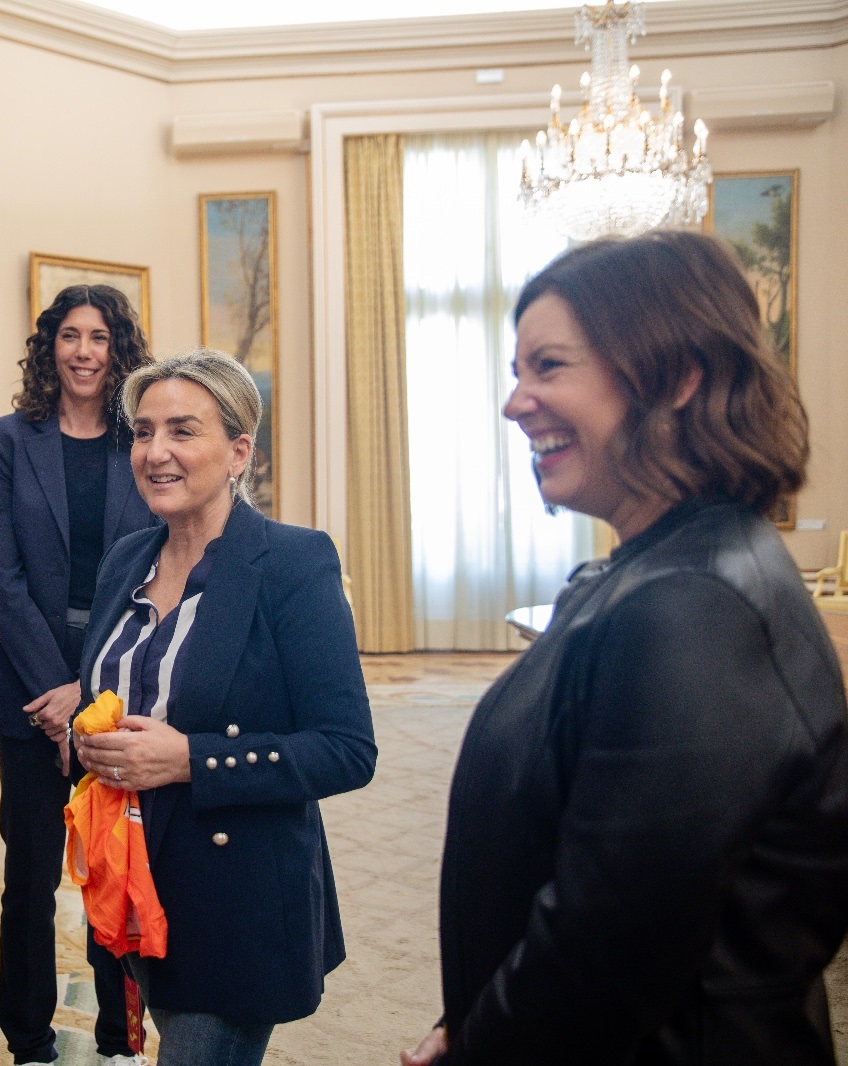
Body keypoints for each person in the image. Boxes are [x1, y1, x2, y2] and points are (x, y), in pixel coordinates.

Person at [403, 231, 848, 1066]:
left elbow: (606, 955)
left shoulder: (694, 604)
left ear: (677, 376)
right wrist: (474, 1012)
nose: (516, 402)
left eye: (550, 366)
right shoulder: (666, 564)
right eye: (516, 371)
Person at [73, 349, 377, 1065]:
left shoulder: (295, 563)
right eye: (144, 432)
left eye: (183, 431)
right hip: (134, 890)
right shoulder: (126, 560)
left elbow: (346, 747)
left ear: (240, 451)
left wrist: (189, 760)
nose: (155, 453)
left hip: (235, 904)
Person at [0, 284, 157, 1066]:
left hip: (116, 688)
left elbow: (155, 566)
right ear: (49, 347)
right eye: (70, 336)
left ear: (120, 350)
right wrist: (55, 694)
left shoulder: (143, 444)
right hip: (25, 689)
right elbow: (2, 576)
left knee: (115, 871)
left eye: (100, 337)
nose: (85, 351)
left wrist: (86, 693)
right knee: (28, 879)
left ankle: (119, 1040)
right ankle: (29, 1040)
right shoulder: (10, 439)